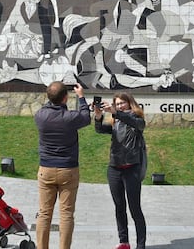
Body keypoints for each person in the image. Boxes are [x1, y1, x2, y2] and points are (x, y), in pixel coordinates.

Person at [34, 81, 91, 249]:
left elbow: (49, 104)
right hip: (68, 170)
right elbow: (86, 116)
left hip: (46, 169)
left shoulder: (40, 116)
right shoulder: (70, 118)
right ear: (66, 98)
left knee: (44, 214)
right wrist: (81, 97)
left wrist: (54, 95)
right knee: (66, 214)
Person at [94, 92, 147, 249]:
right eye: (117, 104)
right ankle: (124, 241)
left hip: (132, 168)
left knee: (135, 208)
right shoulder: (115, 122)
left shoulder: (137, 119)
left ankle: (140, 245)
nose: (119, 106)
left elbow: (136, 123)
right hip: (114, 169)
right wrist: (98, 116)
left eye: (122, 103)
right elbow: (99, 130)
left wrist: (118, 113)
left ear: (130, 103)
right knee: (119, 207)